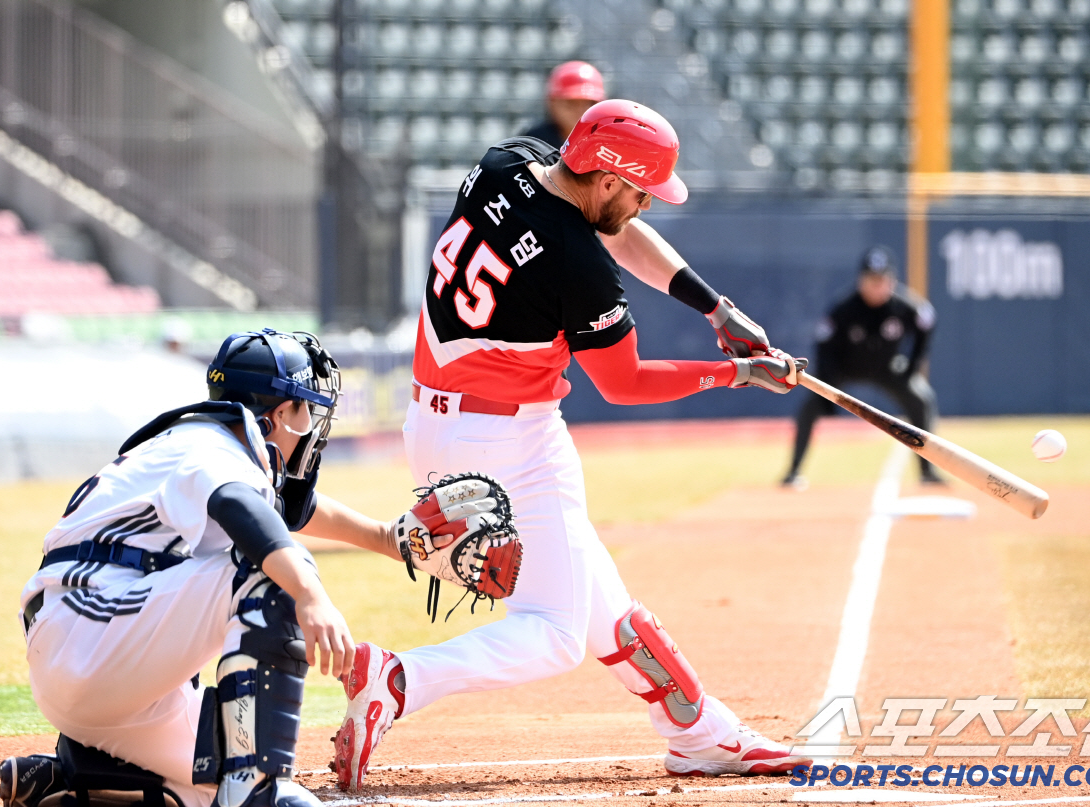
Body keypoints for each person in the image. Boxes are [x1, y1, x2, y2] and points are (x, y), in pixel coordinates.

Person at [330, 100, 812, 791]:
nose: (646, 205)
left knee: (597, 594)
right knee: (557, 630)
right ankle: (399, 678)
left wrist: (714, 307)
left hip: (439, 428)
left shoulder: (511, 159)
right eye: (642, 190)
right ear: (610, 179)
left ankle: (697, 728)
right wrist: (734, 373)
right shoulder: (576, 262)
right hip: (509, 440)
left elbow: (612, 232)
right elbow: (625, 382)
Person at [0, 330, 483, 807]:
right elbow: (242, 511)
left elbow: (286, 510)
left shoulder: (205, 447)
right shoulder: (208, 447)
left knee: (256, 789)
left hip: (94, 672)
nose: (311, 426)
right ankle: (253, 784)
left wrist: (385, 538)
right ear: (277, 413)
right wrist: (310, 595)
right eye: (306, 410)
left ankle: (77, 773)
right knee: (274, 574)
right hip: (91, 632)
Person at [782, 246, 943, 488]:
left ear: (892, 280)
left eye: (882, 280)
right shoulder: (845, 309)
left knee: (922, 400)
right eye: (871, 280)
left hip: (887, 368)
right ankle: (793, 472)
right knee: (809, 407)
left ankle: (927, 472)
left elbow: (927, 322)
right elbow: (823, 346)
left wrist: (911, 367)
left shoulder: (903, 306)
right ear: (861, 280)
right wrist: (828, 388)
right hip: (845, 368)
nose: (876, 286)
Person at [519, 60, 606, 148]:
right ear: (552, 102)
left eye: (590, 103)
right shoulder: (532, 142)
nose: (580, 110)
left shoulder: (609, 141)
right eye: (571, 103)